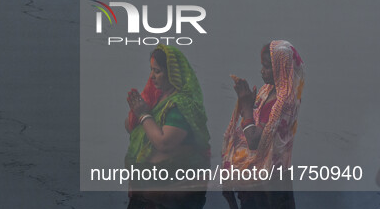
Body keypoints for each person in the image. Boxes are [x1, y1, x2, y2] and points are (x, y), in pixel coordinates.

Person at [125, 45, 210, 181]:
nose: (151, 76)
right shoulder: (157, 97)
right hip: (152, 179)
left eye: (157, 71)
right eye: (151, 70)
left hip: (178, 184)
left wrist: (143, 115)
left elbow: (165, 143)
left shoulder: (181, 105)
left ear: (172, 74)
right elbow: (131, 128)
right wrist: (136, 112)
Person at [222, 40, 305, 172]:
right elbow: (262, 122)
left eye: (266, 67)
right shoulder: (276, 91)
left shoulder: (279, 103)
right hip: (279, 168)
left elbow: (254, 142)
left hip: (263, 174)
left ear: (281, 69)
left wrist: (247, 106)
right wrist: (251, 105)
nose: (262, 71)